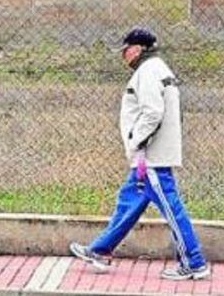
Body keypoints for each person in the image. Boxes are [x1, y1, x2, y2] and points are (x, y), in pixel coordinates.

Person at [69, 27, 210, 281]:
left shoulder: (147, 72)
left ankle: (194, 261)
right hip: (149, 156)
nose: (123, 56)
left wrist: (136, 140)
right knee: (129, 201)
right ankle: (100, 250)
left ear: (136, 49)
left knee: (171, 207)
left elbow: (153, 112)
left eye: (125, 50)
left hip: (151, 156)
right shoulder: (158, 68)